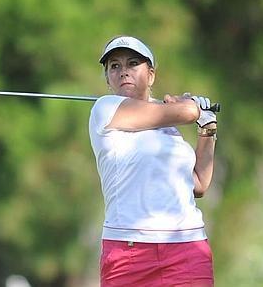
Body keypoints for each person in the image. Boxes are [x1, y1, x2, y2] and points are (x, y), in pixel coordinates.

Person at [89, 35, 217, 286]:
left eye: (133, 64)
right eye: (115, 66)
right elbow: (189, 112)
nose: (123, 72)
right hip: (130, 252)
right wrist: (191, 107)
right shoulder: (105, 109)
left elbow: (199, 183)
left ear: (151, 75)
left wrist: (207, 126)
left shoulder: (170, 129)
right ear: (107, 79)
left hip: (187, 248)